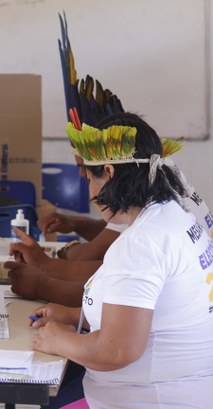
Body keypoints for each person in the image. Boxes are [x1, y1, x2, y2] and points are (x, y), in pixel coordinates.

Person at [28, 112, 213, 408]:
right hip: (185, 389)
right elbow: (146, 309)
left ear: (110, 173)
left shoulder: (142, 242)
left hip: (148, 398)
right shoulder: (173, 215)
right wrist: (76, 316)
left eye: (90, 177)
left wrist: (57, 341)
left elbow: (116, 350)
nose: (90, 192)